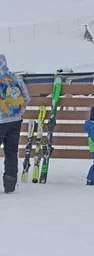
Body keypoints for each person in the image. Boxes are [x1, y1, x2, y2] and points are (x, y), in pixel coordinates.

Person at [0, 54, 30, 193]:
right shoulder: (15, 78)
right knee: (11, 152)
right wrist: (18, 112)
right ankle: (10, 185)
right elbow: (27, 98)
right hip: (16, 121)